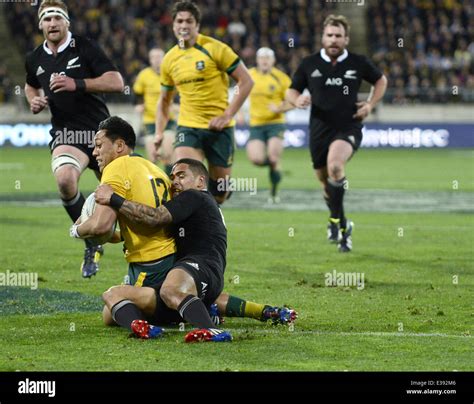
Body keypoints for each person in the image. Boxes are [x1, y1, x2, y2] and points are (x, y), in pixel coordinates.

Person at [94, 158, 297, 342]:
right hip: (207, 274)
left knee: (171, 290)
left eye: (182, 176)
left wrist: (114, 198)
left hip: (201, 263)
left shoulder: (194, 197)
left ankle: (211, 329)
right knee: (110, 307)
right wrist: (95, 230)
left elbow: (154, 217)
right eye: (172, 177)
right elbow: (129, 233)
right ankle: (263, 312)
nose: (175, 182)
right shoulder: (193, 208)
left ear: (200, 181)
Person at [24, 0, 124, 277]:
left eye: (57, 17)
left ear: (67, 22)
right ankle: (91, 241)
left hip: (102, 131)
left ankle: (144, 247)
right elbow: (31, 84)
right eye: (47, 19)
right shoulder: (35, 58)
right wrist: (35, 101)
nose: (52, 23)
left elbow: (117, 82)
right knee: (65, 180)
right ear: (40, 24)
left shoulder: (85, 47)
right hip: (67, 133)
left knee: (125, 191)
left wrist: (77, 84)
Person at [286, 14, 387, 252]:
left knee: (335, 167)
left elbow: (381, 80)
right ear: (323, 37)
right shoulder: (309, 63)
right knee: (325, 184)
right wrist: (297, 99)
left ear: (346, 39)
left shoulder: (358, 62)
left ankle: (340, 228)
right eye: (330, 35)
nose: (333, 40)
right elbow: (291, 91)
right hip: (319, 129)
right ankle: (340, 222)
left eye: (338, 36)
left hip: (348, 126)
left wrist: (370, 104)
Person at [154, 1, 254, 204]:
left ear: (197, 25)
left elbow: (246, 81)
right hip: (188, 127)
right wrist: (159, 132)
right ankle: (187, 232)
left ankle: (216, 204)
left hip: (220, 129)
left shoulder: (215, 49)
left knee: (219, 193)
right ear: (173, 26)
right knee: (185, 180)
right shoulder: (169, 59)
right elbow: (164, 100)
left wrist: (227, 115)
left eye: (189, 21)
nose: (184, 25)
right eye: (179, 21)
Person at [246, 47, 294, 203]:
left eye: (268, 57)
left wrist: (280, 108)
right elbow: (238, 92)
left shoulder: (281, 78)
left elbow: (294, 101)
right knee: (256, 159)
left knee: (273, 158)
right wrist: (238, 111)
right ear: (257, 60)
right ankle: (275, 168)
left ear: (273, 61)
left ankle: (274, 193)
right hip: (256, 124)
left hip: (275, 123)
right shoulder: (249, 74)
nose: (265, 60)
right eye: (262, 57)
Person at [133, 47, 178, 172]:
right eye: (154, 57)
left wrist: (178, 106)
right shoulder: (144, 75)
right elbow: (137, 94)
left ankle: (171, 186)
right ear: (150, 60)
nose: (157, 60)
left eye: (159, 57)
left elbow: (180, 93)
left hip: (168, 119)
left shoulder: (171, 74)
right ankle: (155, 187)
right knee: (153, 158)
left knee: (168, 154)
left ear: (164, 58)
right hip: (150, 120)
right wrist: (138, 105)